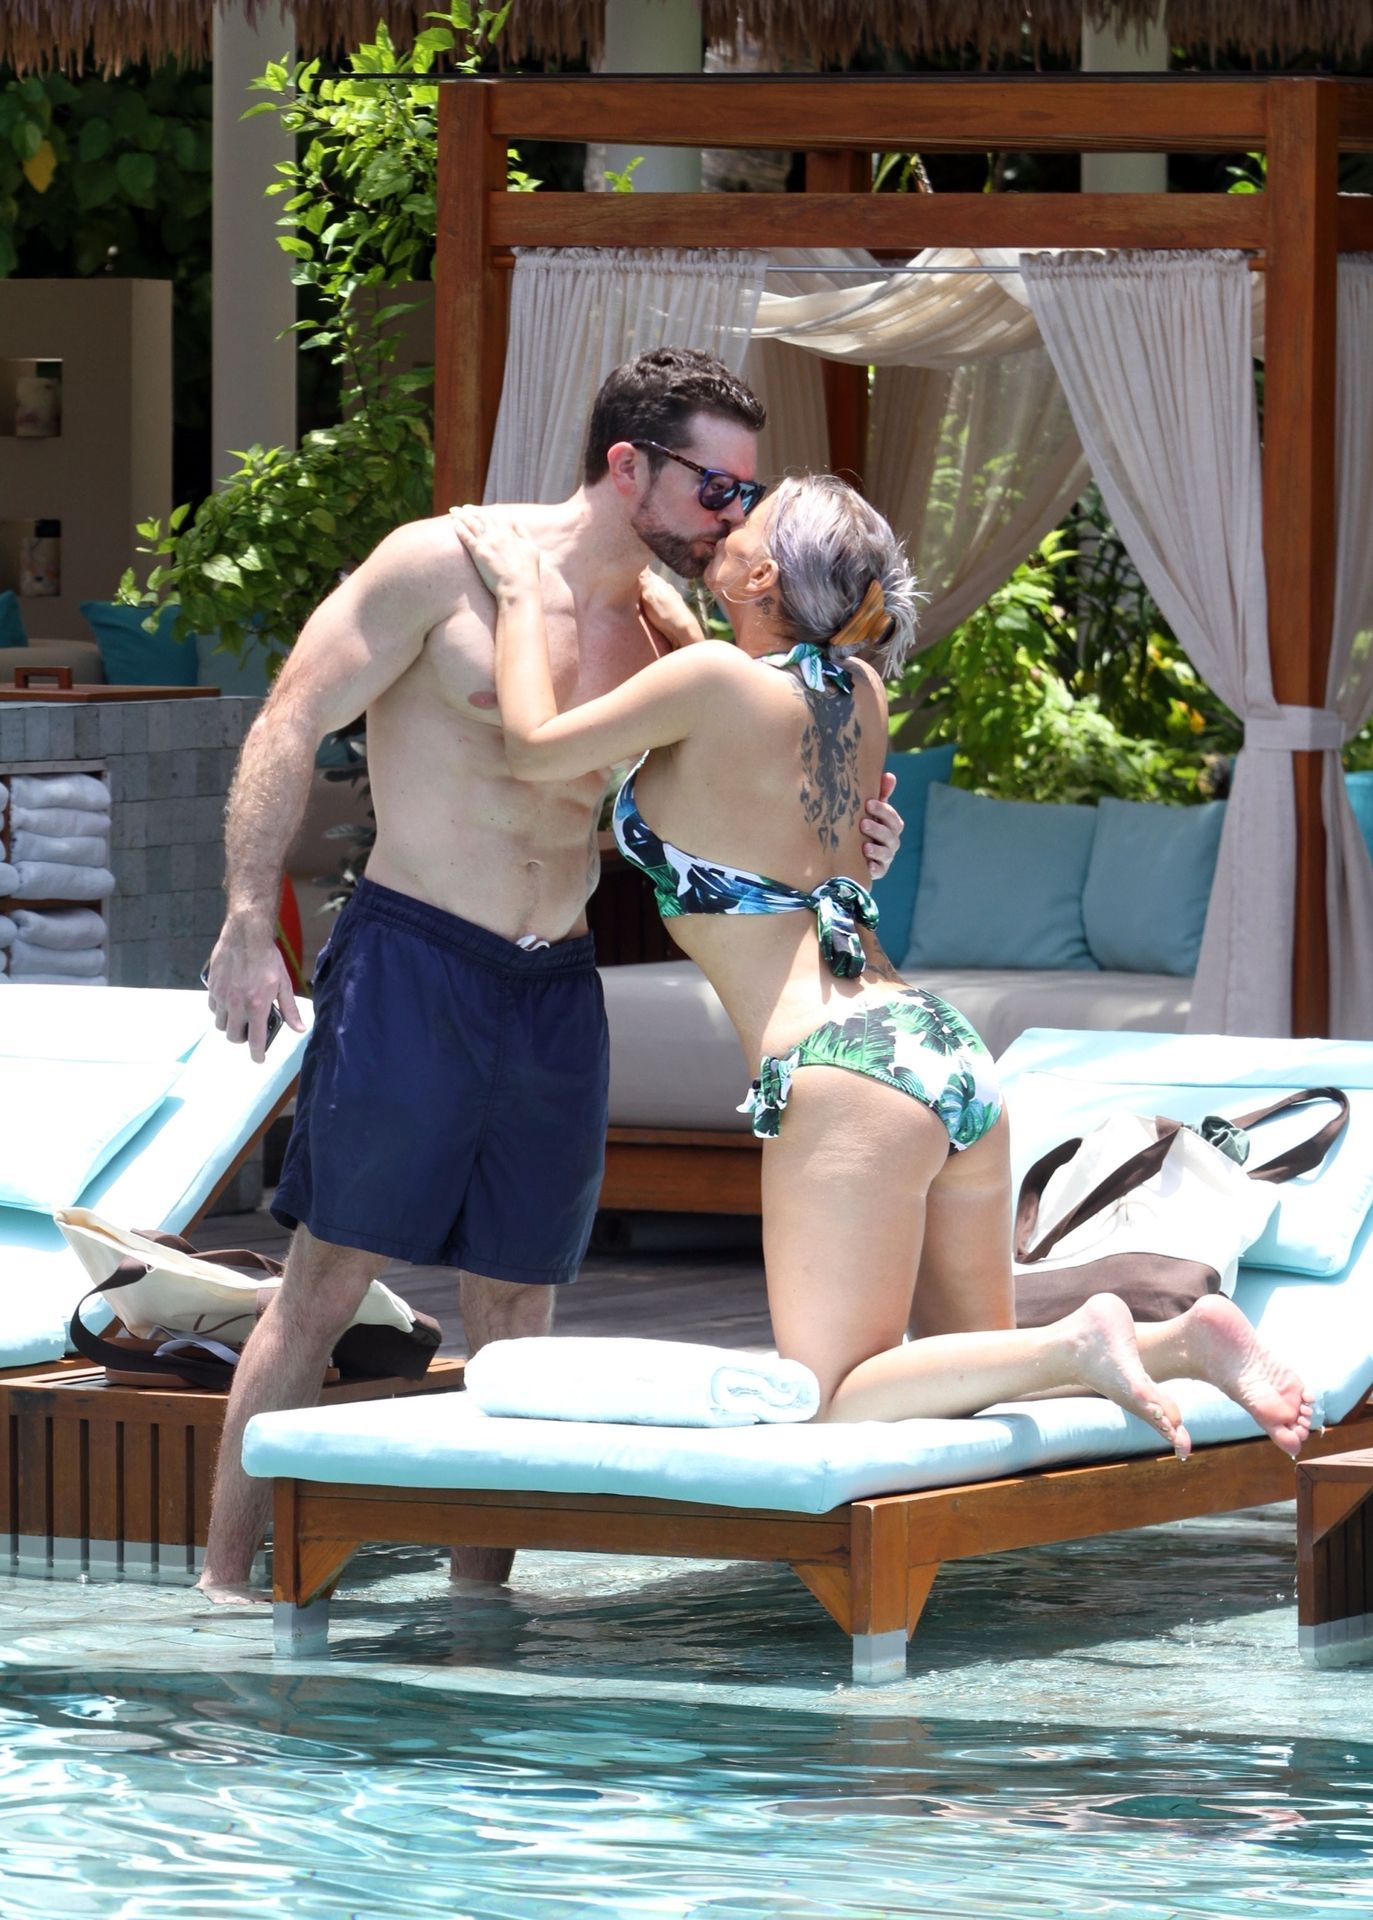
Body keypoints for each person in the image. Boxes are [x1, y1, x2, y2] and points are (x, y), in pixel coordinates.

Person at [197, 350, 906, 1600]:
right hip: (418, 958)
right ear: (628, 465)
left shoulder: (671, 627)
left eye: (745, 494)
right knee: (324, 1285)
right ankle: (223, 1585)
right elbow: (292, 715)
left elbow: (749, 791)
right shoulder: (443, 566)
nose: (733, 517)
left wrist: (854, 838)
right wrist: (249, 917)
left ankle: (481, 1604)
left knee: (518, 1307)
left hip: (556, 984)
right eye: (715, 487)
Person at [452, 472, 1315, 1461]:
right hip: (938, 1048)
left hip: (841, 1073)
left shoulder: (710, 685)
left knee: (827, 1398)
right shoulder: (856, 692)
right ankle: (1176, 1342)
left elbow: (534, 747)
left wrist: (520, 596)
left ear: (763, 576)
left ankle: (1078, 1338)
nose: (727, 523)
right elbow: (759, 745)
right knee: (967, 1378)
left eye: (747, 521)